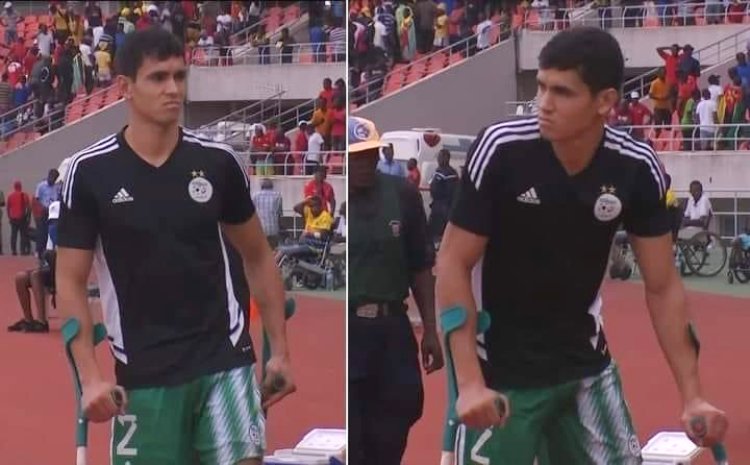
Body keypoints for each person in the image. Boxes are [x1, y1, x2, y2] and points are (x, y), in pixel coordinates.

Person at [436, 27, 727, 465]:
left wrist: (692, 396)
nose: (543, 103)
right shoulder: (501, 150)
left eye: (562, 92)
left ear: (605, 101)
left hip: (585, 369)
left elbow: (663, 285)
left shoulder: (635, 166)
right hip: (499, 374)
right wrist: (469, 382)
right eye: (541, 87)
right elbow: (452, 262)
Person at [55, 28, 295, 465]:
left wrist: (279, 351)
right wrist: (90, 378)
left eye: (179, 77)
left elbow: (258, 255)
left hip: (224, 359)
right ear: (125, 87)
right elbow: (70, 281)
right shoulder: (88, 173)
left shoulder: (218, 162)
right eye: (158, 78)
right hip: (143, 372)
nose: (173, 89)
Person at [349, 138, 444, 465]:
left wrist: (430, 329)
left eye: (369, 155)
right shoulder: (335, 198)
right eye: (355, 158)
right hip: (350, 329)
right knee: (354, 431)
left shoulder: (403, 194)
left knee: (404, 406)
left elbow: (421, 265)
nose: (364, 164)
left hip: (392, 327)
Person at [6, 198, 60, 333]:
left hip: (64, 272)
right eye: (51, 221)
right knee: (20, 277)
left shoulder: (69, 235)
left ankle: (42, 322)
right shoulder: (48, 233)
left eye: (56, 221)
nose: (53, 224)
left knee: (36, 275)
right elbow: (44, 256)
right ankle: (28, 319)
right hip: (49, 269)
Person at [429, 148, 459, 243]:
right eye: (438, 157)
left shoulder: (450, 173)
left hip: (444, 207)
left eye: (440, 157)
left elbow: (451, 192)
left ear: (446, 158)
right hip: (436, 206)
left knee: (441, 233)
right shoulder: (438, 171)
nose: (438, 159)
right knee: (432, 232)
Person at [251, 178, 283, 249]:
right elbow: (279, 214)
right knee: (273, 250)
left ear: (261, 186)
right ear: (272, 186)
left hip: (259, 229)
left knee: (260, 250)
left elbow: (252, 213)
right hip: (273, 230)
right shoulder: (277, 195)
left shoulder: (255, 196)